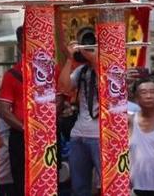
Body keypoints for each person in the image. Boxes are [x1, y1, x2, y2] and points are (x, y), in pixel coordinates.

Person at [58, 32, 101, 196]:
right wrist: (70, 58)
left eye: (92, 45)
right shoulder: (82, 70)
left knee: (108, 185)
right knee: (79, 189)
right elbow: (63, 86)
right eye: (86, 45)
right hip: (79, 135)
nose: (89, 49)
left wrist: (94, 57)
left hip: (100, 136)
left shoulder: (109, 68)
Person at [0, 26, 25, 195]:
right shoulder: (12, 75)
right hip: (20, 136)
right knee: (21, 182)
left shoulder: (52, 70)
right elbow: (4, 111)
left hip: (47, 136)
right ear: (20, 45)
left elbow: (60, 98)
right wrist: (25, 129)